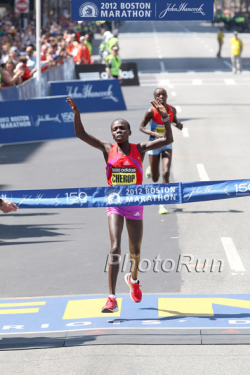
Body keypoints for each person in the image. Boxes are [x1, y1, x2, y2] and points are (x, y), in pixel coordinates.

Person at [66, 96, 173, 313]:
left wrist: (165, 119)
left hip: (135, 204)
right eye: (115, 129)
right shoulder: (107, 150)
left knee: (135, 251)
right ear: (112, 133)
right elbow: (81, 134)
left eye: (123, 128)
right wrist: (77, 113)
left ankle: (133, 280)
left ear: (129, 132)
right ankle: (112, 298)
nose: (119, 131)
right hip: (114, 204)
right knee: (115, 247)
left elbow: (166, 140)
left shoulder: (139, 148)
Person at [140, 88, 183, 215]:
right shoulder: (151, 111)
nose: (161, 96)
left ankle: (162, 203)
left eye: (163, 94)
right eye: (158, 95)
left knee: (166, 173)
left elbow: (174, 121)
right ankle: (150, 169)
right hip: (154, 144)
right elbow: (141, 127)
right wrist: (154, 134)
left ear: (167, 96)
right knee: (154, 178)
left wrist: (178, 125)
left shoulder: (172, 110)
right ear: (155, 98)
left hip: (167, 144)